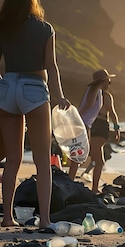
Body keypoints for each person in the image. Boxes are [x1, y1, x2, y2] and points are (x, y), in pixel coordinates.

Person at [0, 0, 71, 228]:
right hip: (34, 89)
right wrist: (59, 96)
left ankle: (8, 218)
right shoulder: (44, 28)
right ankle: (45, 221)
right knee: (42, 161)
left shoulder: (3, 26)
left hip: (7, 87)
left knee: (12, 161)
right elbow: (51, 65)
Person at [68, 69, 120, 193]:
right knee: (79, 156)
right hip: (84, 124)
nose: (109, 83)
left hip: (87, 124)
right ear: (103, 81)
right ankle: (69, 184)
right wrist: (73, 117)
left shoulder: (95, 91)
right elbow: (87, 106)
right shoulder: (95, 91)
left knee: (96, 159)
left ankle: (91, 187)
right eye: (109, 81)